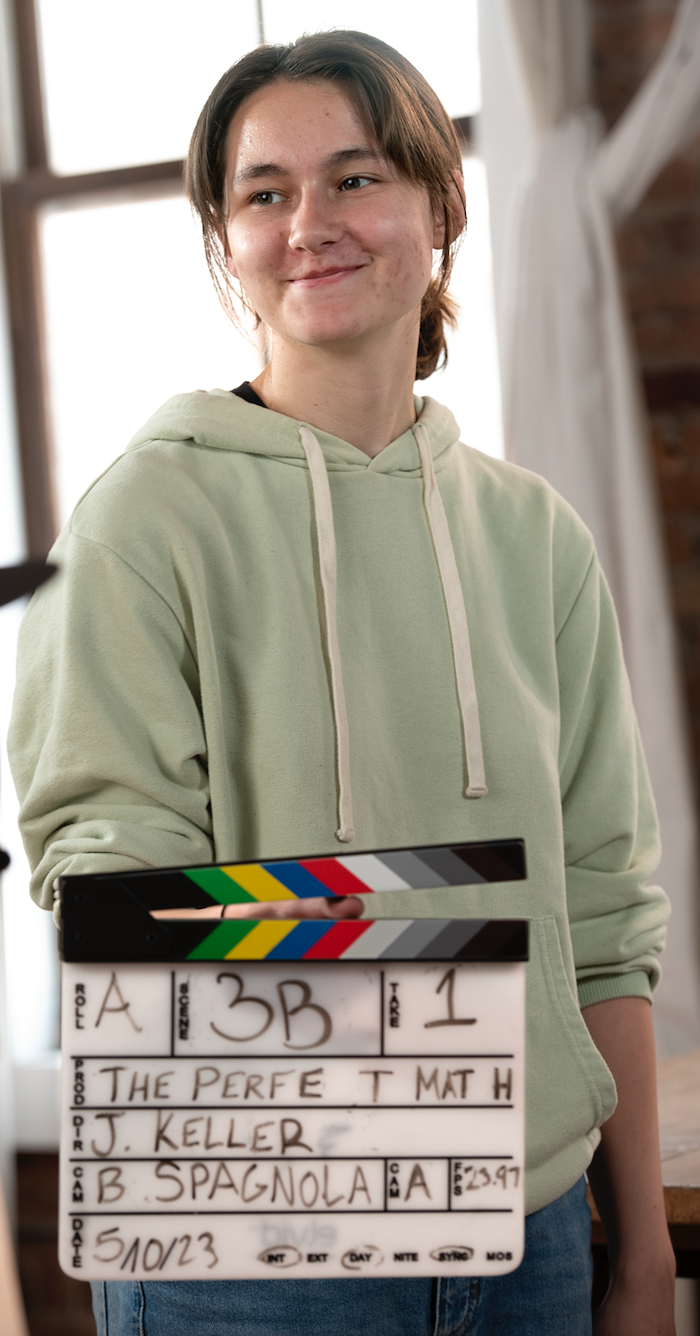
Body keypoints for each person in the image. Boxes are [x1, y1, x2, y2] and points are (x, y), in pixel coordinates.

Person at [9, 29, 675, 1336]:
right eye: (265, 192)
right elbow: (113, 893)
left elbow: (603, 910)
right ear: (226, 240)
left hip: (532, 1239)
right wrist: (444, 955)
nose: (309, 222)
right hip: (248, 1254)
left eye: (357, 179)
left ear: (439, 207)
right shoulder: (142, 518)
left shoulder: (533, 536)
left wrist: (637, 1245)